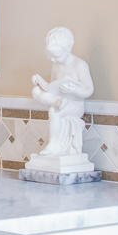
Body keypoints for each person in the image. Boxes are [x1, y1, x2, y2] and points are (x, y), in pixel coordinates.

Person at [30, 26, 93, 160]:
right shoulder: (56, 65)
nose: (53, 60)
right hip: (59, 99)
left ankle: (53, 145)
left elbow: (89, 90)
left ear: (68, 48)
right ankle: (57, 102)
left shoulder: (80, 65)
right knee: (35, 91)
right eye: (51, 56)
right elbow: (52, 87)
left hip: (74, 104)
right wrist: (40, 82)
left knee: (54, 112)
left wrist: (74, 90)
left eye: (56, 56)